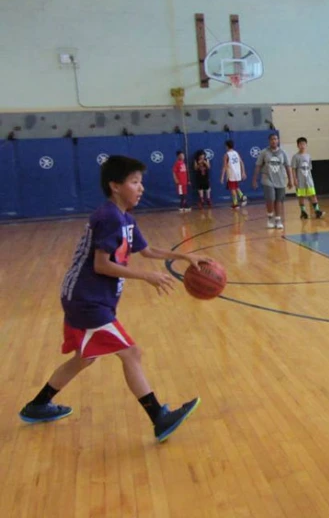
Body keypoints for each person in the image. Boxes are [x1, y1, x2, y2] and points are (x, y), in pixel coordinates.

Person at [18, 156, 208, 442]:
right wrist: (147, 277)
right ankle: (159, 417)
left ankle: (38, 405)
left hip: (83, 297)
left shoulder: (125, 219)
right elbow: (101, 265)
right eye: (134, 182)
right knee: (131, 353)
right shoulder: (108, 217)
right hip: (87, 300)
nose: (141, 188)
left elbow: (148, 250)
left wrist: (185, 256)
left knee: (85, 358)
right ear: (115, 186)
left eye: (141, 182)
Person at [254, 132, 293, 230]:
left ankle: (278, 219)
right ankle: (270, 217)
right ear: (269, 141)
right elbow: (258, 166)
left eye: (275, 139)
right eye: (272, 139)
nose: (274, 141)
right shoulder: (264, 152)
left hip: (280, 178)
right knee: (271, 198)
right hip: (267, 178)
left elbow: (288, 167)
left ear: (278, 140)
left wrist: (290, 180)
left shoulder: (282, 153)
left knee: (279, 200)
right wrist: (254, 179)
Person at [291, 137, 324, 219]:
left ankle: (317, 211)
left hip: (308, 179)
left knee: (313, 194)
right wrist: (294, 179)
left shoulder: (308, 156)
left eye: (304, 144)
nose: (302, 146)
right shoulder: (295, 157)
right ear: (298, 145)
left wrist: (310, 179)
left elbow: (309, 168)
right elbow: (293, 169)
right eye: (300, 144)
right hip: (300, 180)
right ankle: (303, 211)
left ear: (306, 145)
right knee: (301, 196)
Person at [220, 140, 247, 210]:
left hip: (231, 173)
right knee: (235, 186)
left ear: (226, 146)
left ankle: (236, 203)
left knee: (232, 189)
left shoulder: (226, 155)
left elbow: (224, 166)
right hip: (237, 173)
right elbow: (242, 162)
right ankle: (241, 196)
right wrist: (243, 172)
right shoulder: (236, 153)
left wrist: (222, 177)